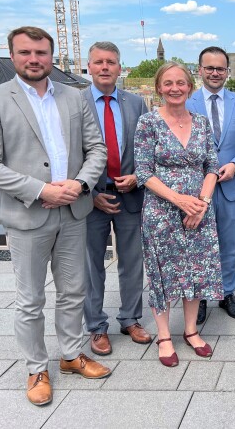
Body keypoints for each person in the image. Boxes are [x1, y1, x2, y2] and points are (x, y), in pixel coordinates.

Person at [0, 26, 111, 406]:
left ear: (52, 56)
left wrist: (80, 186)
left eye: (41, 53)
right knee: (30, 299)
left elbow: (95, 149)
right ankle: (36, 367)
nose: (34, 59)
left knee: (72, 291)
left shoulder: (75, 96)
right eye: (25, 53)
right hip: (27, 215)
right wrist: (41, 189)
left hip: (73, 211)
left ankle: (69, 355)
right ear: (13, 56)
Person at [134, 61, 223, 366]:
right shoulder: (148, 123)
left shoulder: (201, 122)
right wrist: (179, 200)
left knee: (196, 269)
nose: (175, 88)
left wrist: (202, 203)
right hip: (162, 212)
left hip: (199, 211)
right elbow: (144, 172)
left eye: (181, 83)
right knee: (162, 271)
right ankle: (164, 336)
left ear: (190, 87)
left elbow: (212, 165)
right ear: (159, 88)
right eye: (168, 83)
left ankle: (190, 330)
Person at [82, 41, 151, 356]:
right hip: (90, 200)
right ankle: (96, 326)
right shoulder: (75, 102)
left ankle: (130, 318)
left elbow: (147, 148)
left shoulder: (136, 103)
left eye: (111, 62)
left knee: (132, 261)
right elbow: (70, 153)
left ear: (120, 68)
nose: (105, 67)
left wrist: (138, 176)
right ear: (89, 66)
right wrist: (91, 192)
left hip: (130, 195)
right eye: (99, 62)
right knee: (91, 265)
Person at [187, 46, 235, 324]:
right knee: (199, 244)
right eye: (210, 68)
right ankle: (200, 296)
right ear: (200, 69)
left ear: (228, 71)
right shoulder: (186, 103)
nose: (215, 73)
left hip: (230, 186)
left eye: (221, 68)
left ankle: (226, 293)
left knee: (228, 244)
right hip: (195, 190)